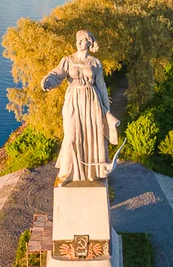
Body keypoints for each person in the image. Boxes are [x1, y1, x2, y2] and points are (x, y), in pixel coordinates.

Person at [40, 30, 118, 183]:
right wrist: (48, 79)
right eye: (78, 40)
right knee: (71, 135)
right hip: (73, 100)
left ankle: (92, 172)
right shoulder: (67, 60)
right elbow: (58, 74)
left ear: (89, 43)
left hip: (92, 101)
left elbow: (101, 85)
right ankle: (67, 172)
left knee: (92, 134)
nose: (80, 43)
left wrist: (106, 108)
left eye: (83, 40)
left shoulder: (95, 63)